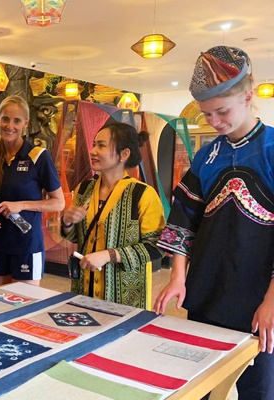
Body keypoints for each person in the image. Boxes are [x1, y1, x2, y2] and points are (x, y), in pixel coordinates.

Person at [154, 45, 274, 399]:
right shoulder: (207, 155)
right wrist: (178, 276)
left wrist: (272, 302)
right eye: (207, 114)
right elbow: (183, 220)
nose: (215, 122)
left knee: (259, 390)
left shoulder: (271, 150)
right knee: (200, 385)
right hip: (207, 291)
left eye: (222, 111)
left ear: (248, 96)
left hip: (260, 299)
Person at [61, 122, 165, 309]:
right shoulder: (84, 189)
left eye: (101, 146)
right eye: (94, 144)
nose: (93, 151)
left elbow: (156, 246)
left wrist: (109, 255)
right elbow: (78, 237)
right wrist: (67, 222)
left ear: (124, 154)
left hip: (124, 297)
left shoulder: (142, 194)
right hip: (84, 288)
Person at [0, 95, 64, 286]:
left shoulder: (38, 157)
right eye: (5, 119)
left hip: (27, 245)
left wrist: (21, 205)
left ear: (26, 123)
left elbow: (59, 202)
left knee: (25, 302)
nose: (9, 126)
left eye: (17, 121)